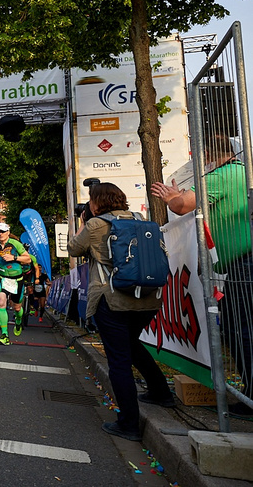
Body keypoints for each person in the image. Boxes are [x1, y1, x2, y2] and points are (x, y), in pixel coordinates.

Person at [151, 134, 252, 417]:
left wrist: (172, 197)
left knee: (239, 330)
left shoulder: (220, 176)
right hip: (239, 263)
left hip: (240, 264)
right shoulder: (242, 172)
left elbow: (184, 205)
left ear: (208, 153)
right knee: (240, 328)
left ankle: (250, 394)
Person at [69, 182, 172, 441]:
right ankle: (161, 392)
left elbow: (73, 249)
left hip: (113, 300)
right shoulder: (141, 220)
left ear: (95, 203)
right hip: (147, 298)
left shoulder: (95, 225)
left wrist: (85, 220)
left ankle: (128, 423)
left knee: (118, 360)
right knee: (132, 345)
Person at [0, 223, 31, 345]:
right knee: (1, 302)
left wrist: (14, 258)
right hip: (2, 278)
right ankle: (5, 335)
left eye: (2, 231)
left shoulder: (16, 244)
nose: (0, 234)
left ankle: (18, 320)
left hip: (16, 280)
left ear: (8, 232)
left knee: (17, 307)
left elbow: (27, 259)